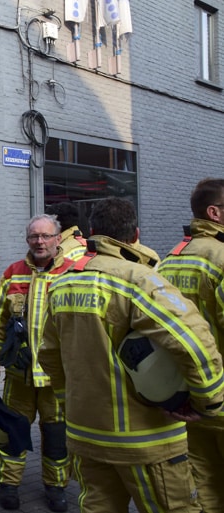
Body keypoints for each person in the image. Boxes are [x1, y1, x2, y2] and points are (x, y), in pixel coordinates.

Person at [39, 197, 224, 513]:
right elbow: (193, 342)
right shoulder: (139, 280)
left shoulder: (63, 284)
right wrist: (210, 401)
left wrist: (71, 403)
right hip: (145, 441)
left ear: (92, 232)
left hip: (86, 436)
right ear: (135, 234)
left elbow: (49, 356)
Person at [0, 214, 73, 512]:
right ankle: (8, 485)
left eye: (46, 236)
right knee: (13, 433)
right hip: (18, 375)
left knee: (56, 439)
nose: (39, 241)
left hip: (56, 380)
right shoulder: (13, 272)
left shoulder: (73, 273)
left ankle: (56, 487)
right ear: (27, 240)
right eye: (34, 236)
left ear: (57, 239)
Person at [158, 178, 224, 512]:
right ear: (214, 212)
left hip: (191, 398)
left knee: (205, 483)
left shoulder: (169, 259)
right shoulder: (222, 257)